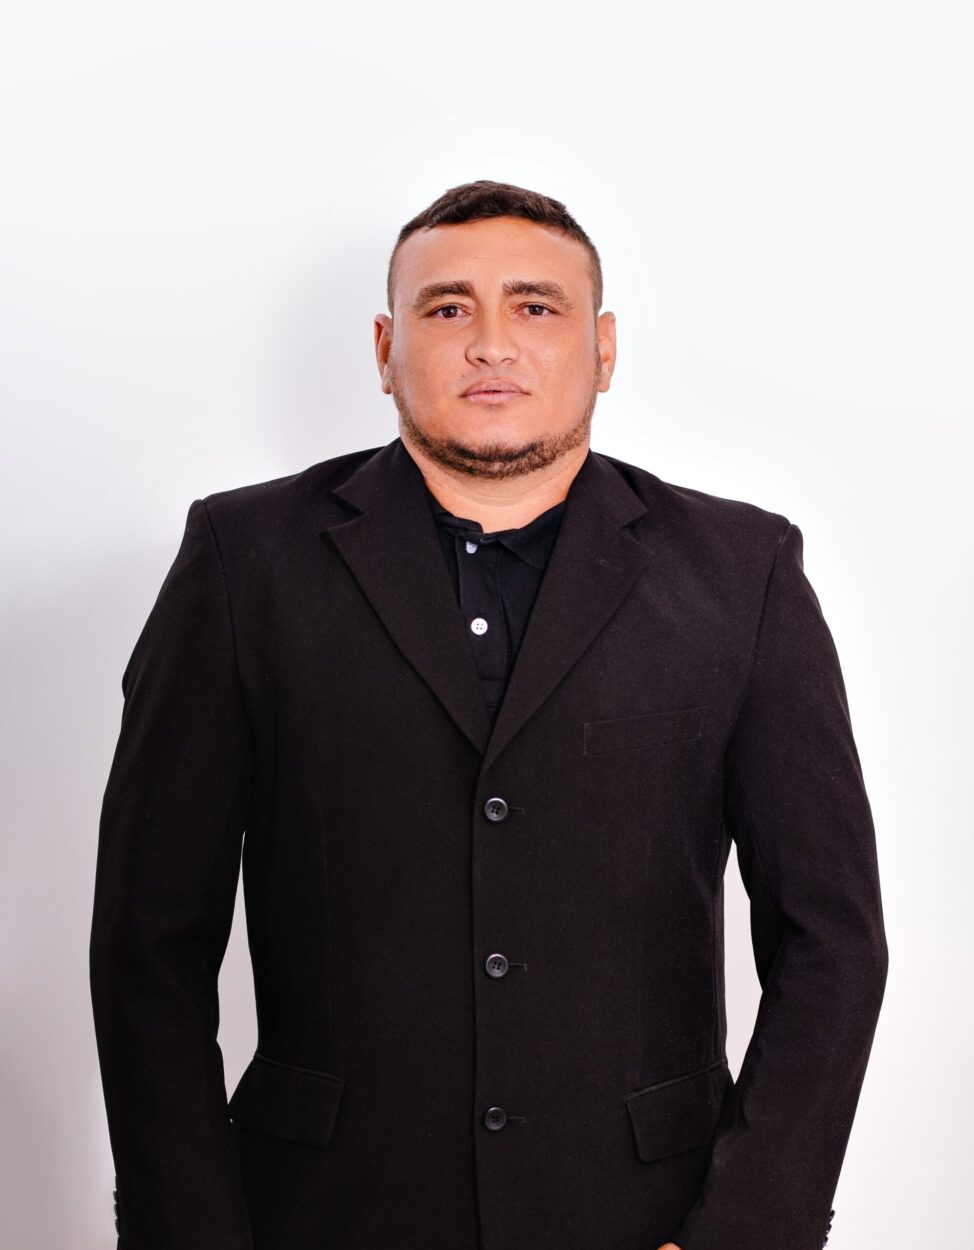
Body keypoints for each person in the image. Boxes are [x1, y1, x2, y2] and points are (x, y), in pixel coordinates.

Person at [89, 179, 888, 1250]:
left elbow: (831, 941)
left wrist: (746, 1231)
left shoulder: (743, 573)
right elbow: (149, 941)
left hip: (643, 1214)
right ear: (386, 348)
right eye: (448, 307)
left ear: (603, 347)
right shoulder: (244, 563)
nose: (492, 342)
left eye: (536, 305)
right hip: (321, 1213)